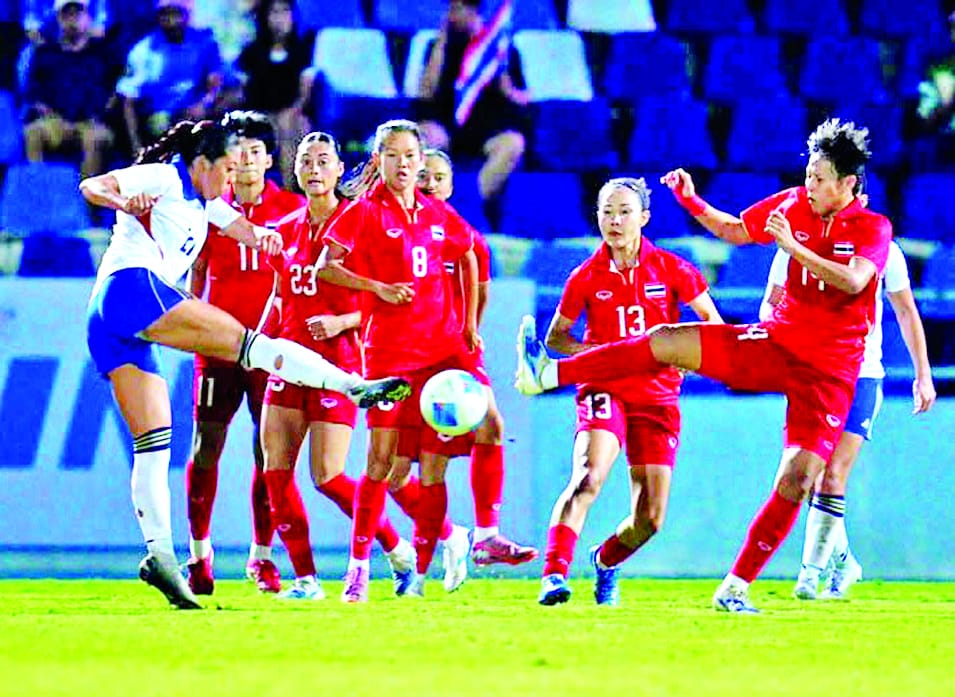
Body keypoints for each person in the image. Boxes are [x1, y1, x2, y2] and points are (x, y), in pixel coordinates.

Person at [514, 118, 893, 613]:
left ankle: (734, 588)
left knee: (797, 479)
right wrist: (692, 201)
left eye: (820, 179)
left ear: (848, 184)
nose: (809, 186)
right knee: (666, 339)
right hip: (776, 344)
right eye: (808, 175)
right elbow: (735, 230)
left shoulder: (873, 228)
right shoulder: (793, 203)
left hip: (829, 373)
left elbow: (854, 280)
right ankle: (549, 374)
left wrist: (793, 248)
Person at [81, 119, 411, 609]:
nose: (233, 178)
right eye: (228, 168)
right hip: (132, 288)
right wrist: (122, 200)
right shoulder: (165, 177)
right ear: (203, 164)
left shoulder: (207, 201)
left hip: (107, 319)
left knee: (153, 445)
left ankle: (161, 557)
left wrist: (266, 238)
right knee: (251, 345)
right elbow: (91, 186)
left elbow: (247, 231)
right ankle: (351, 385)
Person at [537, 177, 722, 607]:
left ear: (644, 218)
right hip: (603, 388)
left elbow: (713, 324)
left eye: (624, 212)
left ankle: (605, 560)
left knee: (650, 519)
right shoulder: (585, 276)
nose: (615, 221)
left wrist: (690, 354)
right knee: (588, 476)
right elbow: (557, 337)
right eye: (607, 212)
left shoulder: (673, 268)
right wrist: (597, 354)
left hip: (657, 398)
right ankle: (553, 573)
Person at [318, 119, 481, 602]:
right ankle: (359, 570)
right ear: (378, 161)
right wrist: (377, 288)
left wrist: (469, 324)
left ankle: (452, 542)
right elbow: (325, 266)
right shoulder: (363, 211)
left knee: (429, 464)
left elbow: (469, 253)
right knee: (380, 464)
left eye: (410, 155)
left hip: (437, 358)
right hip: (388, 355)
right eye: (392, 155)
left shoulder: (436, 211)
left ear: (421, 159)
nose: (403, 164)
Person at [260, 130, 417, 600]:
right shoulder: (284, 228)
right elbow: (279, 296)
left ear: (338, 170)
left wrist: (342, 321)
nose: (313, 169)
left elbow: (390, 299)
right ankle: (305, 580)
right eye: (305, 161)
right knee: (275, 471)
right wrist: (258, 343)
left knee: (327, 476)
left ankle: (397, 549)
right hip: (289, 359)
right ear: (294, 169)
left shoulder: (361, 222)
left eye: (323, 161)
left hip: (340, 362)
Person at [387, 148, 537, 594]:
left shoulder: (466, 237)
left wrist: (469, 328)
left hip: (453, 352)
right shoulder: (397, 230)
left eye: (439, 177)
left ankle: (484, 537)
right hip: (408, 355)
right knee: (399, 474)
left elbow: (481, 288)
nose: (430, 184)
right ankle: (451, 537)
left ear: (451, 186)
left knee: (491, 425)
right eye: (423, 176)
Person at [760, 241, 936, 600]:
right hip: (812, 375)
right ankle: (844, 562)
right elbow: (770, 304)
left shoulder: (883, 249)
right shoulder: (793, 246)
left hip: (861, 375)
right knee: (807, 478)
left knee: (833, 474)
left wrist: (923, 374)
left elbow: (906, 310)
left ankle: (809, 574)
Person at [184, 111, 304, 597]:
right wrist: (190, 316)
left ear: (269, 159)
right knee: (205, 446)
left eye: (256, 151)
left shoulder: (293, 210)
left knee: (268, 451)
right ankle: (199, 554)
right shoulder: (209, 210)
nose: (247, 160)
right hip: (217, 346)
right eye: (238, 152)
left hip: (271, 349)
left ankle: (262, 556)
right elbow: (195, 272)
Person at [416, 0, 530, 231]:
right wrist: (442, 40)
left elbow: (520, 97)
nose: (452, 15)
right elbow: (426, 91)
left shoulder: (501, 50)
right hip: (445, 124)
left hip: (487, 128)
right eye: (450, 9)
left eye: (457, 9)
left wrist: (500, 73)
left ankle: (471, 209)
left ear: (474, 12)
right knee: (426, 140)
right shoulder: (436, 47)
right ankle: (425, 214)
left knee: (513, 144)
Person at [116, 0, 226, 157]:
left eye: (176, 14)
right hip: (158, 119)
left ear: (187, 15)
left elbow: (215, 80)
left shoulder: (205, 42)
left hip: (196, 113)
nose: (171, 21)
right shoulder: (142, 50)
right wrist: (136, 147)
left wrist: (204, 104)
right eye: (165, 14)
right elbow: (128, 100)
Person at [22, 0, 119, 178]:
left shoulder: (105, 53)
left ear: (88, 17)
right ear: (58, 19)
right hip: (55, 121)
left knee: (95, 139)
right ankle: (40, 189)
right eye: (67, 14)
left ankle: (86, 194)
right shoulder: (45, 53)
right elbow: (34, 93)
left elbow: (117, 91)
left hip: (94, 123)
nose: (72, 20)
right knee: (33, 133)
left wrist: (99, 116)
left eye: (77, 14)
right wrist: (52, 116)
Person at [236, 0, 313, 190]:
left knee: (297, 127)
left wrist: (291, 112)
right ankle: (279, 190)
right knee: (278, 127)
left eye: (285, 12)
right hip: (260, 111)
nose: (279, 19)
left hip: (292, 112)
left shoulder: (303, 50)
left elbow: (304, 93)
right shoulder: (251, 52)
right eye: (274, 13)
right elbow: (245, 93)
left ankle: (295, 190)